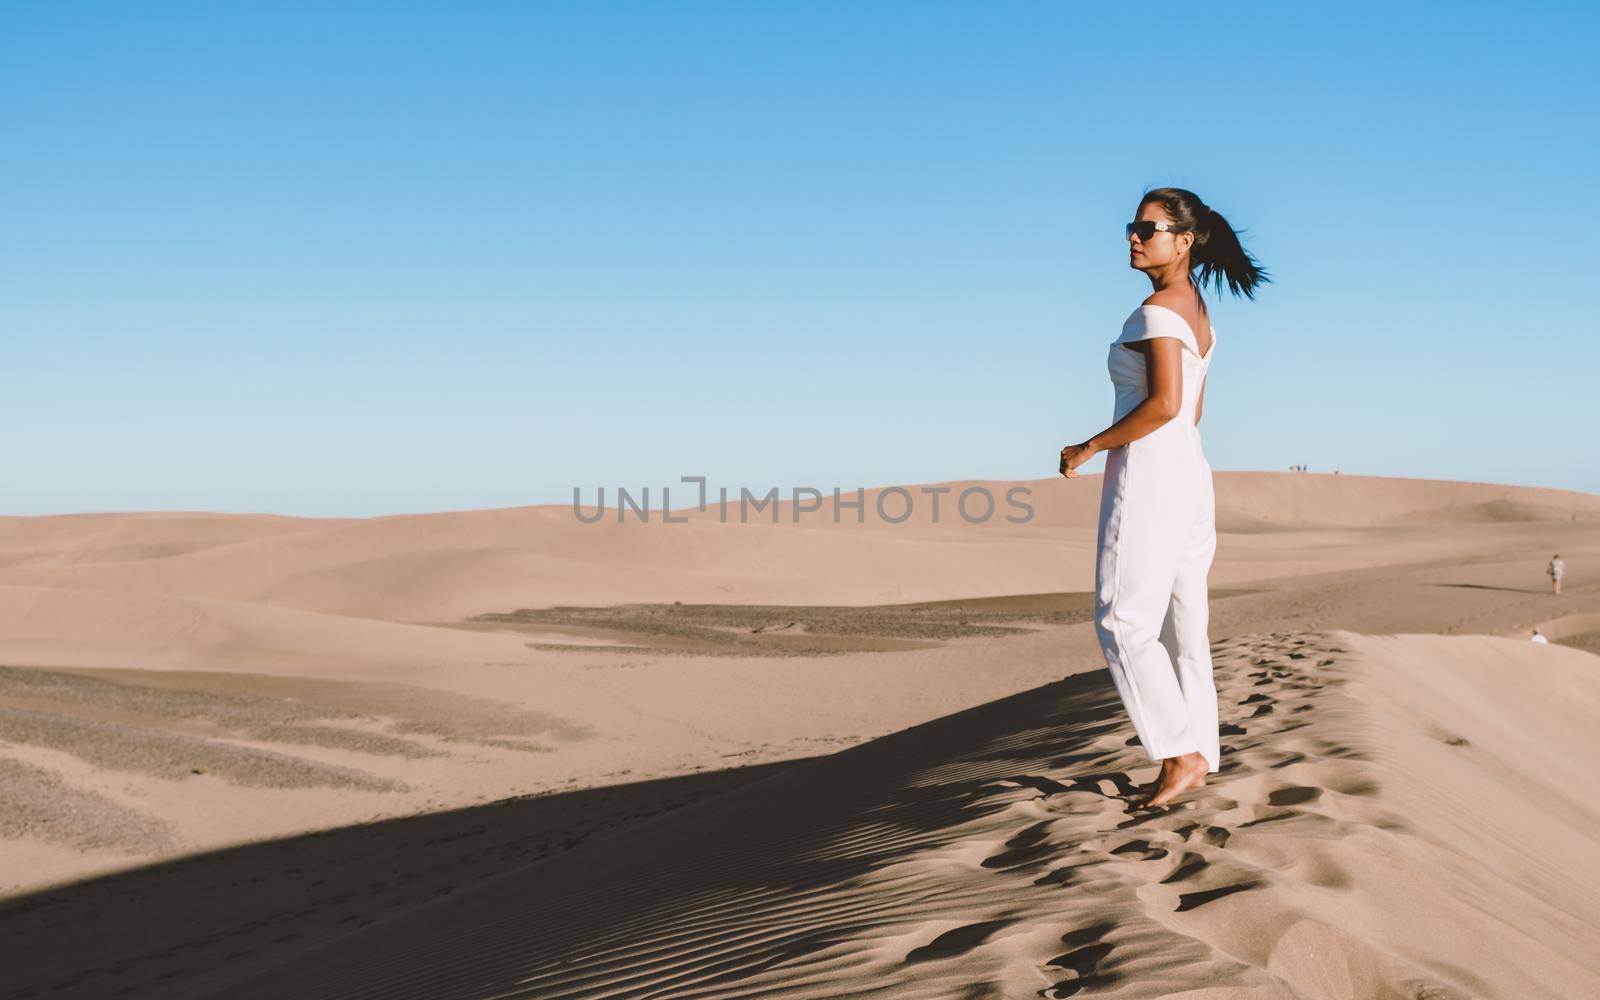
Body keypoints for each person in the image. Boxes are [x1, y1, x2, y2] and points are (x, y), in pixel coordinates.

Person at [1059, 187, 1270, 808]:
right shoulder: (1200, 315)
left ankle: (1179, 756)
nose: (1132, 236)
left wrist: (1089, 446)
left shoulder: (1158, 310)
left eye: (1146, 229)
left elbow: (1167, 405)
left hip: (1149, 472)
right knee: (1183, 623)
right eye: (1132, 225)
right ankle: (1198, 748)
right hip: (1190, 473)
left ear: (1183, 241)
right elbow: (1193, 411)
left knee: (1122, 620)